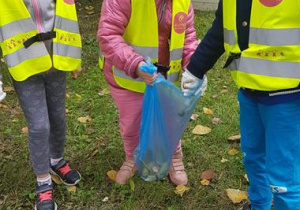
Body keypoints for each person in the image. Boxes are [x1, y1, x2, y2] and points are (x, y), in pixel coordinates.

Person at [181, 0, 300, 209]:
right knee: (253, 156)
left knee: (284, 175)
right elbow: (220, 29)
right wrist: (195, 69)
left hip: (287, 99)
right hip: (249, 92)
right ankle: (260, 204)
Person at [98, 0, 199, 185]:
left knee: (169, 118)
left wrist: (194, 67)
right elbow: (108, 34)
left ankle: (174, 155)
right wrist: (135, 64)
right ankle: (132, 156)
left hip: (163, 76)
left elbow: (188, 37)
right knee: (131, 122)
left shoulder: (183, 2)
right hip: (127, 75)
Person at [0, 0, 82, 209]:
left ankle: (56, 160)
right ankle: (43, 180)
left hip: (56, 62)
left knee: (58, 118)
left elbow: (67, 19)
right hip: (26, 67)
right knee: (39, 126)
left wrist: (74, 58)